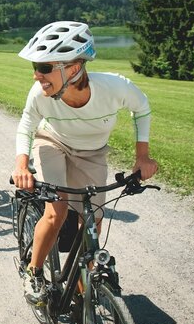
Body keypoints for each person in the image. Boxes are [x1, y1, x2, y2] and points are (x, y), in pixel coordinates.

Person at [10, 21, 158, 306]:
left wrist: (142, 156)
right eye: (36, 67)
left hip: (92, 152)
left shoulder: (114, 87)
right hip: (52, 143)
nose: (36, 75)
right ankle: (34, 272)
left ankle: (82, 287)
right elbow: (27, 125)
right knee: (57, 211)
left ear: (73, 69)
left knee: (92, 220)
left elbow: (142, 108)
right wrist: (21, 164)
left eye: (44, 67)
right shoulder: (40, 94)